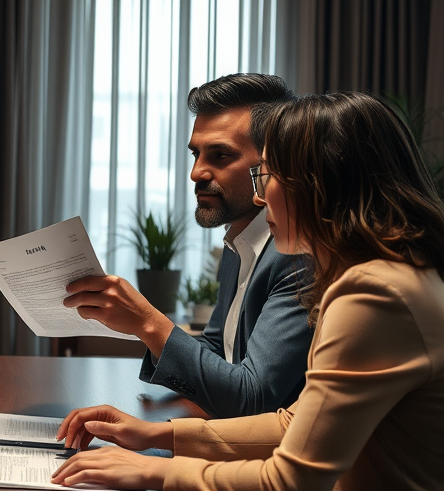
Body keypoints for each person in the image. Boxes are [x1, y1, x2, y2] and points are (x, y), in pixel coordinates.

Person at [52, 93, 444, 491]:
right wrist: (156, 435)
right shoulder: (389, 275)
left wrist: (154, 470)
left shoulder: (374, 294)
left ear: (322, 184)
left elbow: (289, 489)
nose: (262, 196)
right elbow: (294, 422)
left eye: (270, 176)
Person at [63, 74, 313, 417]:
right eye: (196, 154)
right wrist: (138, 325)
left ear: (273, 163)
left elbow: (253, 399)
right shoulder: (237, 244)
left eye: (221, 155)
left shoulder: (297, 256)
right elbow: (215, 349)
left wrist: (147, 321)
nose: (197, 172)